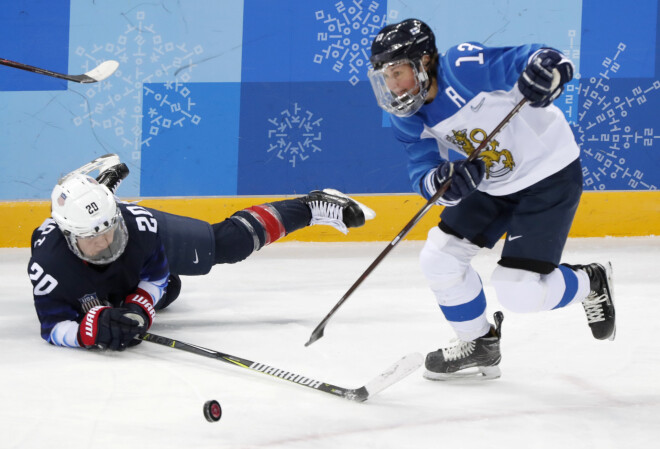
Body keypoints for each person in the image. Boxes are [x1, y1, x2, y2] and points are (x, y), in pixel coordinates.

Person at [367, 19, 615, 380]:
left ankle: (591, 281)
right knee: (439, 258)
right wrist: (444, 184)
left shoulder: (461, 67)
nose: (393, 86)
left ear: (424, 62)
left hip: (548, 174)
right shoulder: (409, 116)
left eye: (398, 72)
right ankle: (480, 344)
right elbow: (422, 172)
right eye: (385, 77)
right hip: (494, 182)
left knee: (519, 294)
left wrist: (549, 69)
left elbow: (538, 58)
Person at [28, 154, 375, 351]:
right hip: (91, 272)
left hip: (130, 239)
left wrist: (139, 307)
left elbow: (155, 276)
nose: (105, 242)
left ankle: (310, 206)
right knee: (172, 291)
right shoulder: (49, 265)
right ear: (70, 236)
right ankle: (100, 190)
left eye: (109, 228)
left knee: (224, 244)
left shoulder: (139, 227)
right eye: (92, 237)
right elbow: (53, 326)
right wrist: (88, 332)